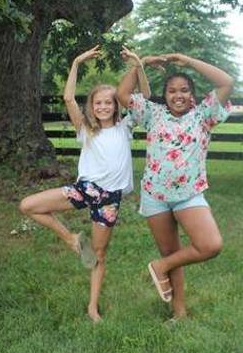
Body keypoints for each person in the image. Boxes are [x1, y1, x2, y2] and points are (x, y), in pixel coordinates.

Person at [19, 45, 150, 322]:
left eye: (109, 102)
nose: (103, 106)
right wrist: (77, 61)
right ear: (91, 106)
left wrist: (138, 65)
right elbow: (68, 97)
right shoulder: (85, 129)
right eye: (98, 103)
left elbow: (146, 98)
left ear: (116, 105)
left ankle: (92, 306)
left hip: (109, 199)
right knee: (28, 205)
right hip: (84, 190)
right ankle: (71, 238)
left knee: (99, 254)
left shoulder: (125, 127)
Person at [117, 47, 234, 320]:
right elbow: (123, 94)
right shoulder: (153, 114)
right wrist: (140, 63)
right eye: (172, 91)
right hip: (155, 195)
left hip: (188, 195)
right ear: (165, 95)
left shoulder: (204, 115)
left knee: (210, 245)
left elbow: (226, 82)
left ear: (192, 95)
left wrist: (189, 61)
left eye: (183, 90)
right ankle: (179, 312)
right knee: (172, 251)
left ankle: (160, 267)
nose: (178, 95)